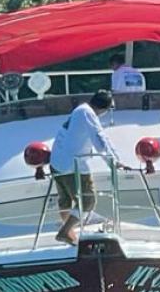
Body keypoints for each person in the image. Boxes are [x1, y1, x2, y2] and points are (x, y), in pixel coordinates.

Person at [50, 89, 125, 245]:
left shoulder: (80, 110)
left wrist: (115, 158)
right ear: (105, 109)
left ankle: (69, 233)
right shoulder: (88, 114)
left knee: (66, 200)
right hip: (72, 166)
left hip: (56, 163)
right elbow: (100, 139)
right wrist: (113, 162)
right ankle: (65, 231)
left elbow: (101, 138)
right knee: (88, 201)